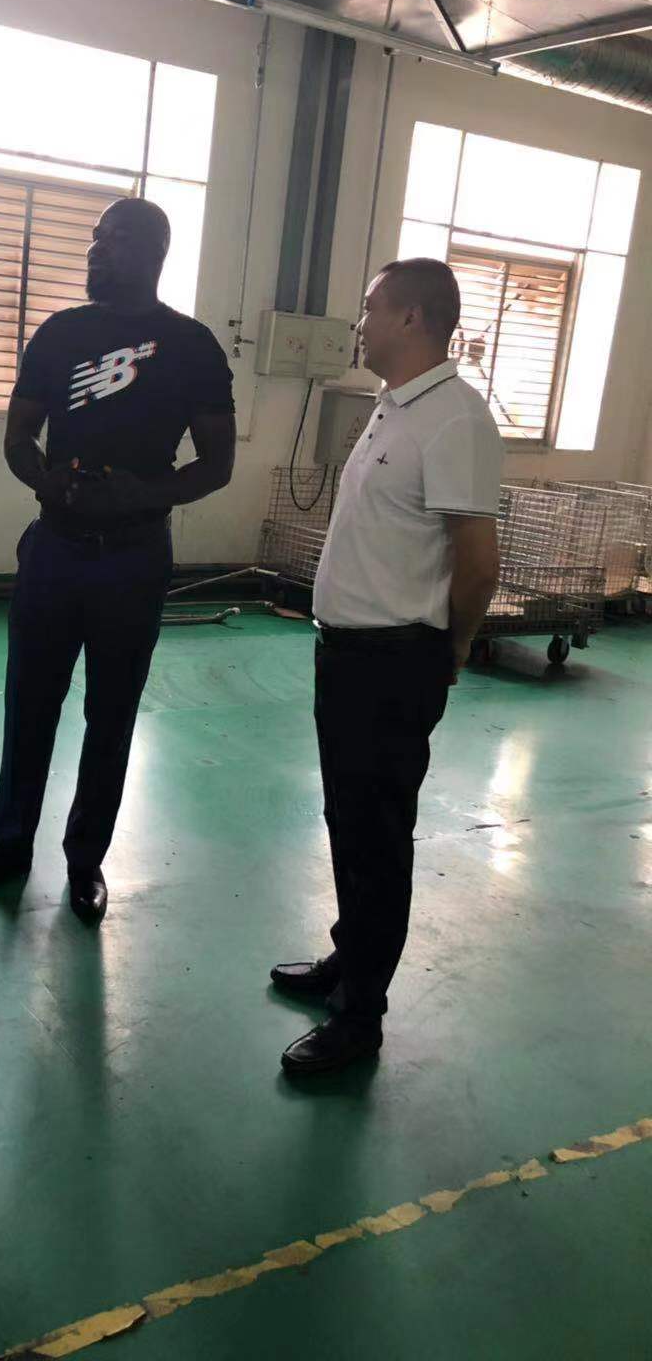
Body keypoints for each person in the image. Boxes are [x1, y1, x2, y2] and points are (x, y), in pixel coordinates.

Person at [0, 197, 236, 923]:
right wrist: (47, 481)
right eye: (95, 239)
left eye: (114, 239)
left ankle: (86, 861)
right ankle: (6, 847)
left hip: (135, 558)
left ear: (155, 251)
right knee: (28, 705)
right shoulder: (60, 334)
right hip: (56, 551)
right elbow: (18, 439)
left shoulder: (193, 346)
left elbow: (218, 463)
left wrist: (146, 493)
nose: (95, 250)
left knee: (112, 714)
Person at [272, 258, 503, 1074]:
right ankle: (350, 956)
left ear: (411, 317)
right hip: (346, 654)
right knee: (347, 819)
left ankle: (360, 1018)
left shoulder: (456, 420)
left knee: (378, 835)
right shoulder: (393, 406)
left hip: (395, 660)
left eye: (371, 306)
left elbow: (478, 562)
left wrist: (454, 646)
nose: (360, 321)